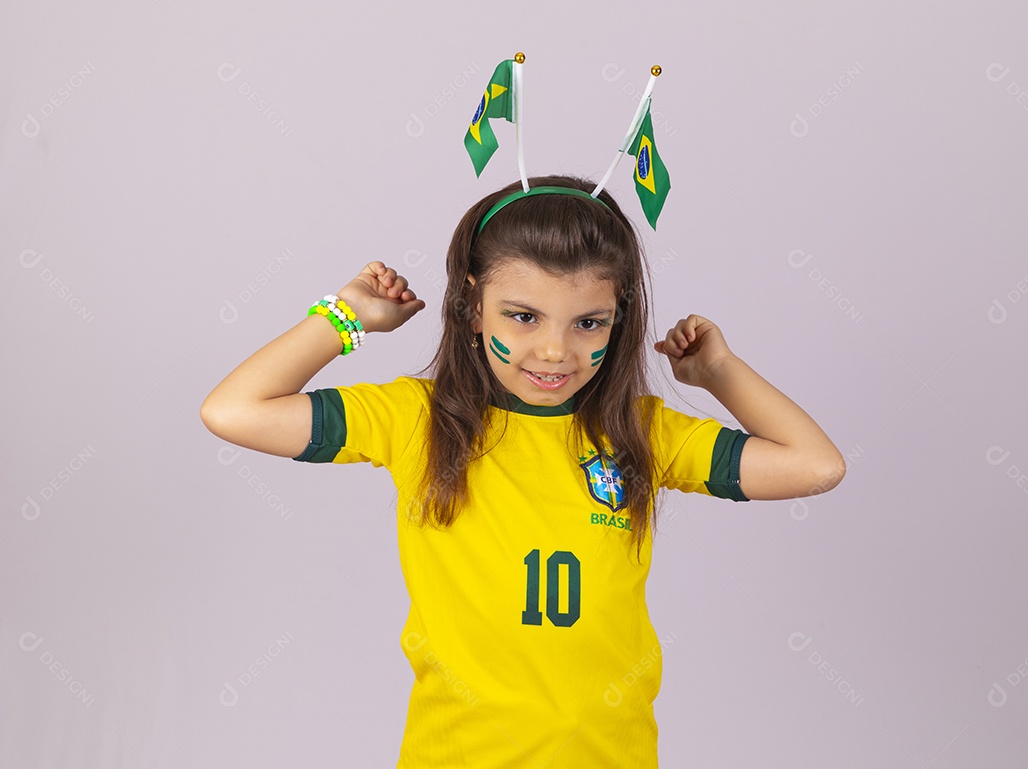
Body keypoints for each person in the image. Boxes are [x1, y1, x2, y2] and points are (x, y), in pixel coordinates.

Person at [201, 174, 845, 768]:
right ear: (472, 303)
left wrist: (719, 374)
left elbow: (815, 466)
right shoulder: (414, 420)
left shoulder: (639, 432)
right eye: (523, 315)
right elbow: (233, 411)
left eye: (589, 322)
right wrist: (346, 318)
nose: (555, 350)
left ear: (620, 320)